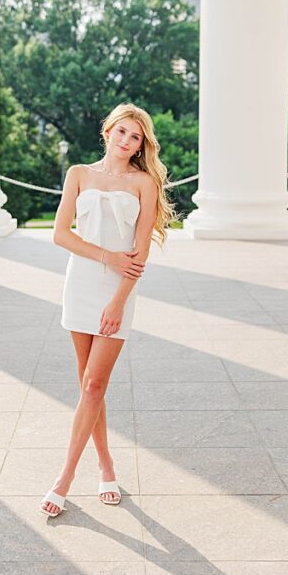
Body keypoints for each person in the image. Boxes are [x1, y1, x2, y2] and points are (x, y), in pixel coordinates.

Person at [40, 103, 178, 518]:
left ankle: (63, 478)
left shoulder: (143, 184)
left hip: (118, 291)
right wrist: (107, 257)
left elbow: (138, 254)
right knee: (88, 386)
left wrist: (119, 298)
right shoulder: (78, 174)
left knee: (95, 385)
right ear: (107, 131)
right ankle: (106, 465)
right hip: (80, 284)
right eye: (121, 132)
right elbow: (60, 234)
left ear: (141, 145)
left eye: (135, 137)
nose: (126, 141)